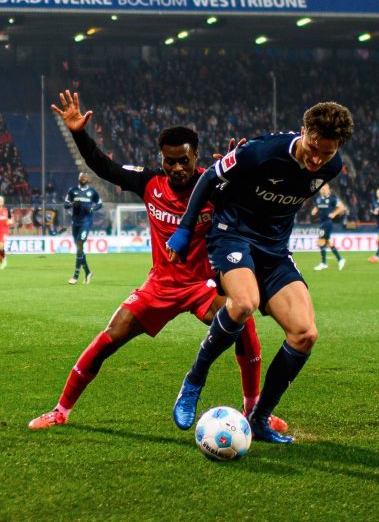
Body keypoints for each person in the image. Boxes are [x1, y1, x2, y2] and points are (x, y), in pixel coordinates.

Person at [28, 90, 286, 432]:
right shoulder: (149, 181)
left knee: (243, 321)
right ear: (161, 158)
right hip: (160, 285)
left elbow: (256, 205)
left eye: (184, 160)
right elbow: (104, 167)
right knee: (109, 337)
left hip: (202, 286)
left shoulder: (215, 185)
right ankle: (60, 410)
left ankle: (254, 411)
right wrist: (78, 132)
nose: (177, 168)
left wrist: (242, 172)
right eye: (170, 161)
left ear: (196, 156)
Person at [166, 101, 354, 443]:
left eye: (326, 154)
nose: (316, 160)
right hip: (231, 234)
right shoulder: (261, 152)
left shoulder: (332, 166)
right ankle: (194, 380)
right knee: (243, 303)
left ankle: (260, 418)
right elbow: (210, 177)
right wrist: (184, 228)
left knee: (305, 334)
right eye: (313, 149)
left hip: (274, 249)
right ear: (304, 132)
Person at [64, 172, 102, 285]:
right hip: (75, 223)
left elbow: (99, 204)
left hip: (86, 222)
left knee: (80, 244)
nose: (84, 178)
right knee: (79, 249)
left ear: (88, 179)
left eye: (86, 177)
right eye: (82, 177)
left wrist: (91, 209)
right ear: (79, 178)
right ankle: (88, 272)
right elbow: (65, 204)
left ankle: (75, 276)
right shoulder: (73, 190)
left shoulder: (92, 192)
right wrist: (72, 204)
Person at [310, 182, 346, 271]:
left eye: (325, 189)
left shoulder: (332, 199)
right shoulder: (318, 200)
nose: (323, 190)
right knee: (329, 243)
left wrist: (334, 213)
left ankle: (323, 263)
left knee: (321, 241)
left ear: (328, 190)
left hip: (327, 223)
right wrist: (314, 210)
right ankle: (340, 259)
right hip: (322, 222)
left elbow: (342, 207)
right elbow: (317, 208)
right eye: (321, 189)